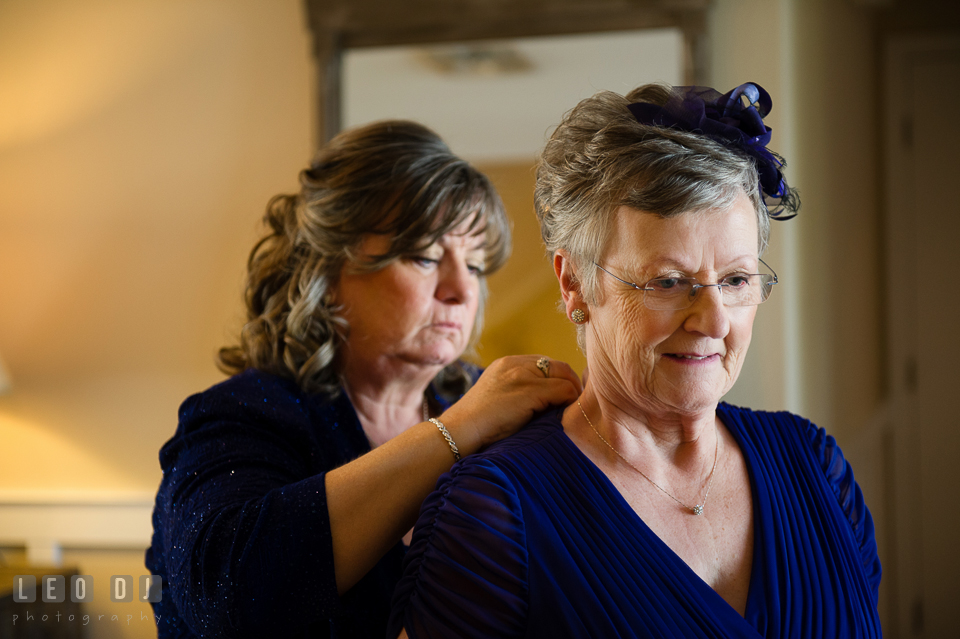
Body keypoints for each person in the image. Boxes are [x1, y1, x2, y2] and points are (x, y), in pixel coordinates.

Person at [389, 83, 882, 638]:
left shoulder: (817, 467)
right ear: (575, 283)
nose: (715, 321)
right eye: (669, 282)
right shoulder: (497, 511)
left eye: (737, 279)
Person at [144, 120, 582, 638]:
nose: (462, 291)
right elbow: (222, 595)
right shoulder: (242, 414)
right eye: (423, 256)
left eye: (476, 265)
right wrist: (456, 432)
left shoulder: (486, 406)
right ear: (326, 272)